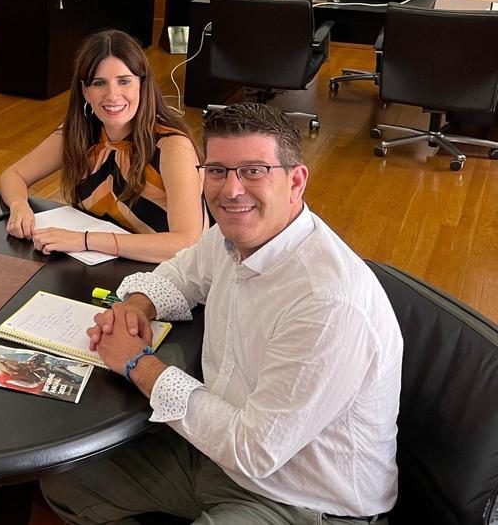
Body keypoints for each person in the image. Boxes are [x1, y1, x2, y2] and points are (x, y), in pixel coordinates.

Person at [41, 102, 403, 524]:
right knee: (66, 484)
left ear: (296, 181)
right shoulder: (235, 233)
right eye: (217, 171)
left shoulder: (327, 303)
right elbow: (182, 273)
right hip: (215, 455)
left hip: (302, 499)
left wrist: (139, 363)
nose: (231, 190)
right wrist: (136, 306)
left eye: (254, 171)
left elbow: (254, 450)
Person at [0, 29, 204, 263]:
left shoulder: (173, 147)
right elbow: (12, 174)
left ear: (142, 85)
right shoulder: (80, 131)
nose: (112, 95)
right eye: (99, 83)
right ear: (85, 91)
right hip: (100, 267)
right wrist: (19, 206)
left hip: (165, 277)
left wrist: (85, 240)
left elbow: (187, 243)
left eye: (124, 81)